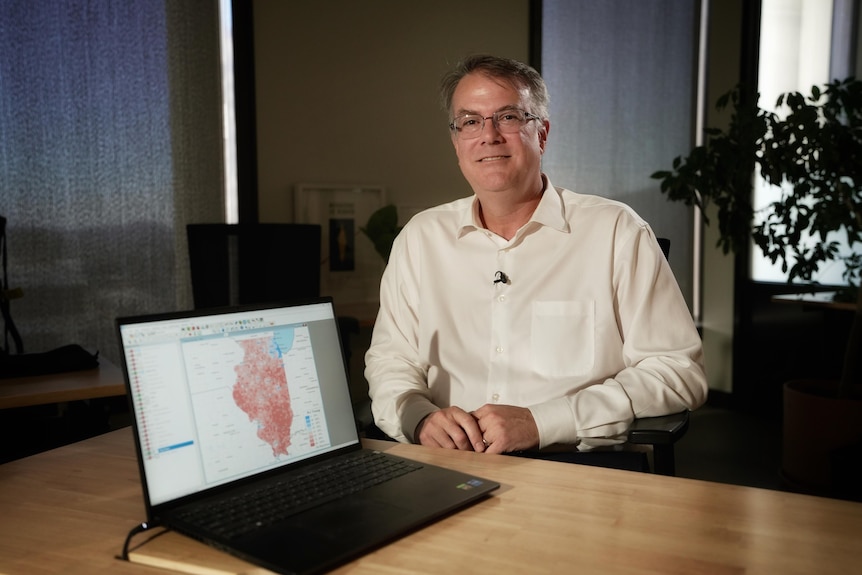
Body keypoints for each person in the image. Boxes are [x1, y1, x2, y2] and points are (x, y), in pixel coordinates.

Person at [364, 55, 707, 459]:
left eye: (508, 117)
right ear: (456, 141)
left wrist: (544, 421)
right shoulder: (420, 238)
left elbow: (678, 372)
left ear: (541, 134)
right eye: (470, 121)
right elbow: (391, 362)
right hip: (447, 465)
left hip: (578, 468)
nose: (488, 135)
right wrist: (420, 419)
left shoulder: (616, 231)